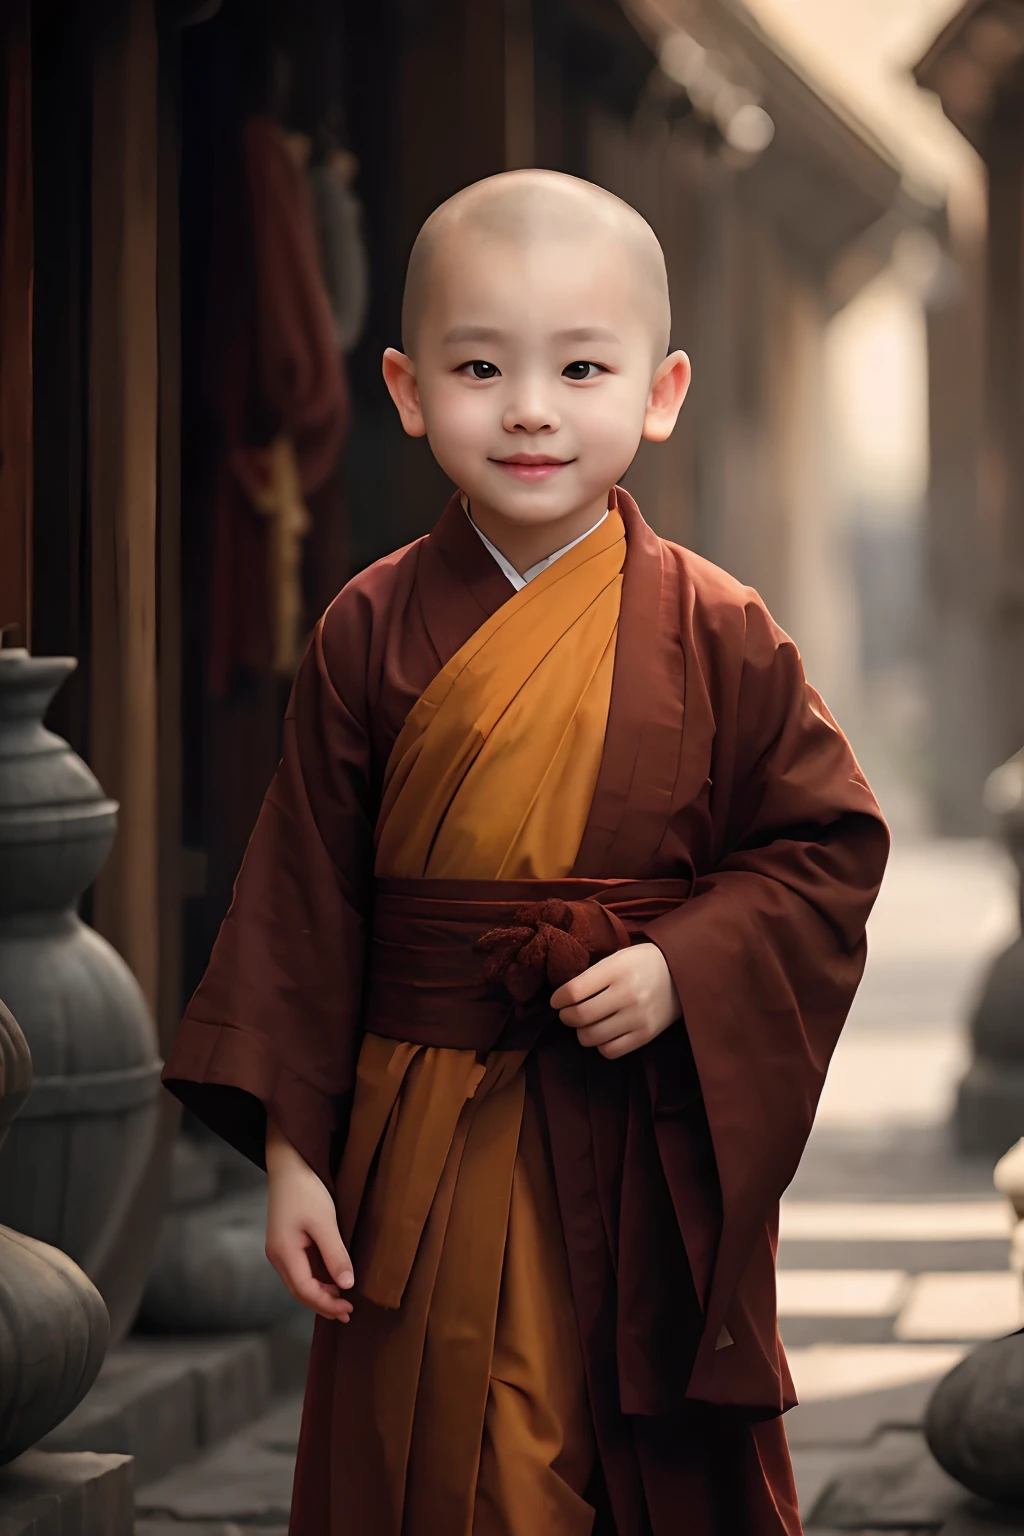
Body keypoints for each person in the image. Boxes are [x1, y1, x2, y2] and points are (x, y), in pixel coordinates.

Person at [162, 169, 890, 1536]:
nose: (533, 407)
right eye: (481, 364)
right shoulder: (367, 629)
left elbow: (824, 847)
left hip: (631, 1127)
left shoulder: (718, 628)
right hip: (419, 1135)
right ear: (404, 387)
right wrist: (292, 1155)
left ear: (661, 391)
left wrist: (684, 965)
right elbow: (302, 906)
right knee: (442, 1462)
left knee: (626, 1467)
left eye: (582, 365)